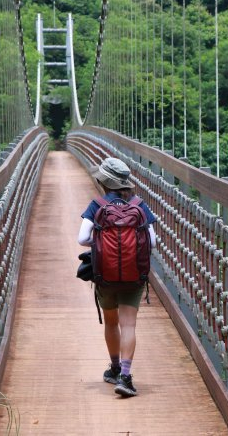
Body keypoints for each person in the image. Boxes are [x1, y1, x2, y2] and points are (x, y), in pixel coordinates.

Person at [78, 157, 157, 397]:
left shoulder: (97, 204)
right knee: (129, 324)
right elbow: (152, 241)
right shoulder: (139, 204)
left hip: (106, 274)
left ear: (104, 181)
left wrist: (101, 243)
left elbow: (82, 239)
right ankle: (125, 375)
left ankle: (113, 369)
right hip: (134, 274)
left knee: (111, 322)